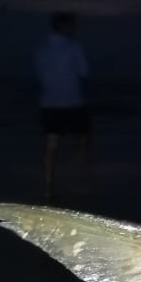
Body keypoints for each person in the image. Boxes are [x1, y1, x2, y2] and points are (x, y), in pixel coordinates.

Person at [33, 11, 90, 203]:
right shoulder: (74, 46)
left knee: (51, 145)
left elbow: (39, 74)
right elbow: (84, 72)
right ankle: (78, 178)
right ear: (65, 26)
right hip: (72, 101)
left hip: (49, 103)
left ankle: (48, 186)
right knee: (82, 138)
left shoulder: (40, 48)